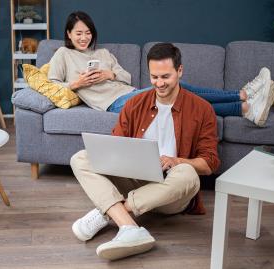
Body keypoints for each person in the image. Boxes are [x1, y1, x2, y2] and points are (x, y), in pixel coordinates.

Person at [70, 43, 220, 260]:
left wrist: (176, 161)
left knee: (188, 174)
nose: (159, 83)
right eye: (154, 77)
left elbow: (210, 163)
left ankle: (110, 210)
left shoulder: (202, 108)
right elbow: (115, 147)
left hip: (169, 194)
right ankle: (129, 228)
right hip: (134, 180)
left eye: (165, 77)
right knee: (81, 157)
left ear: (180, 71)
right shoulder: (134, 104)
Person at [48, 11, 274, 127]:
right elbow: (52, 85)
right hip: (114, 104)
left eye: (88, 33)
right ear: (68, 34)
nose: (84, 38)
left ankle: (246, 108)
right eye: (78, 33)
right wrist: (78, 84)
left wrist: (109, 74)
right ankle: (243, 96)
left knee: (181, 99)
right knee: (178, 88)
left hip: (129, 92)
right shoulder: (63, 54)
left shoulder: (103, 54)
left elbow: (127, 78)